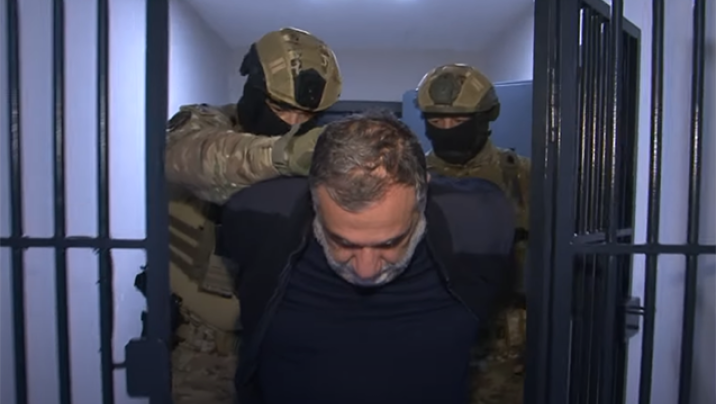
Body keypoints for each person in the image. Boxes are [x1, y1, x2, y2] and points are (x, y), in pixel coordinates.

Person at [220, 112, 517, 404]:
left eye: (390, 243)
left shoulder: (482, 224)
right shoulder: (256, 217)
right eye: (342, 242)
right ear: (313, 200)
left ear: (423, 197)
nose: (366, 271)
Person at [157, 27, 342, 404]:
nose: (294, 122)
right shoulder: (204, 124)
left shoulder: (315, 150)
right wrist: (284, 156)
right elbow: (190, 158)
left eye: (306, 114)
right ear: (253, 89)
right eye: (282, 109)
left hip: (287, 337)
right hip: (204, 345)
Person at [415, 63, 531, 403]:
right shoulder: (408, 176)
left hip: (503, 347)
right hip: (428, 333)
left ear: (485, 118)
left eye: (459, 120)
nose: (447, 129)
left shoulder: (524, 177)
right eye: (437, 121)